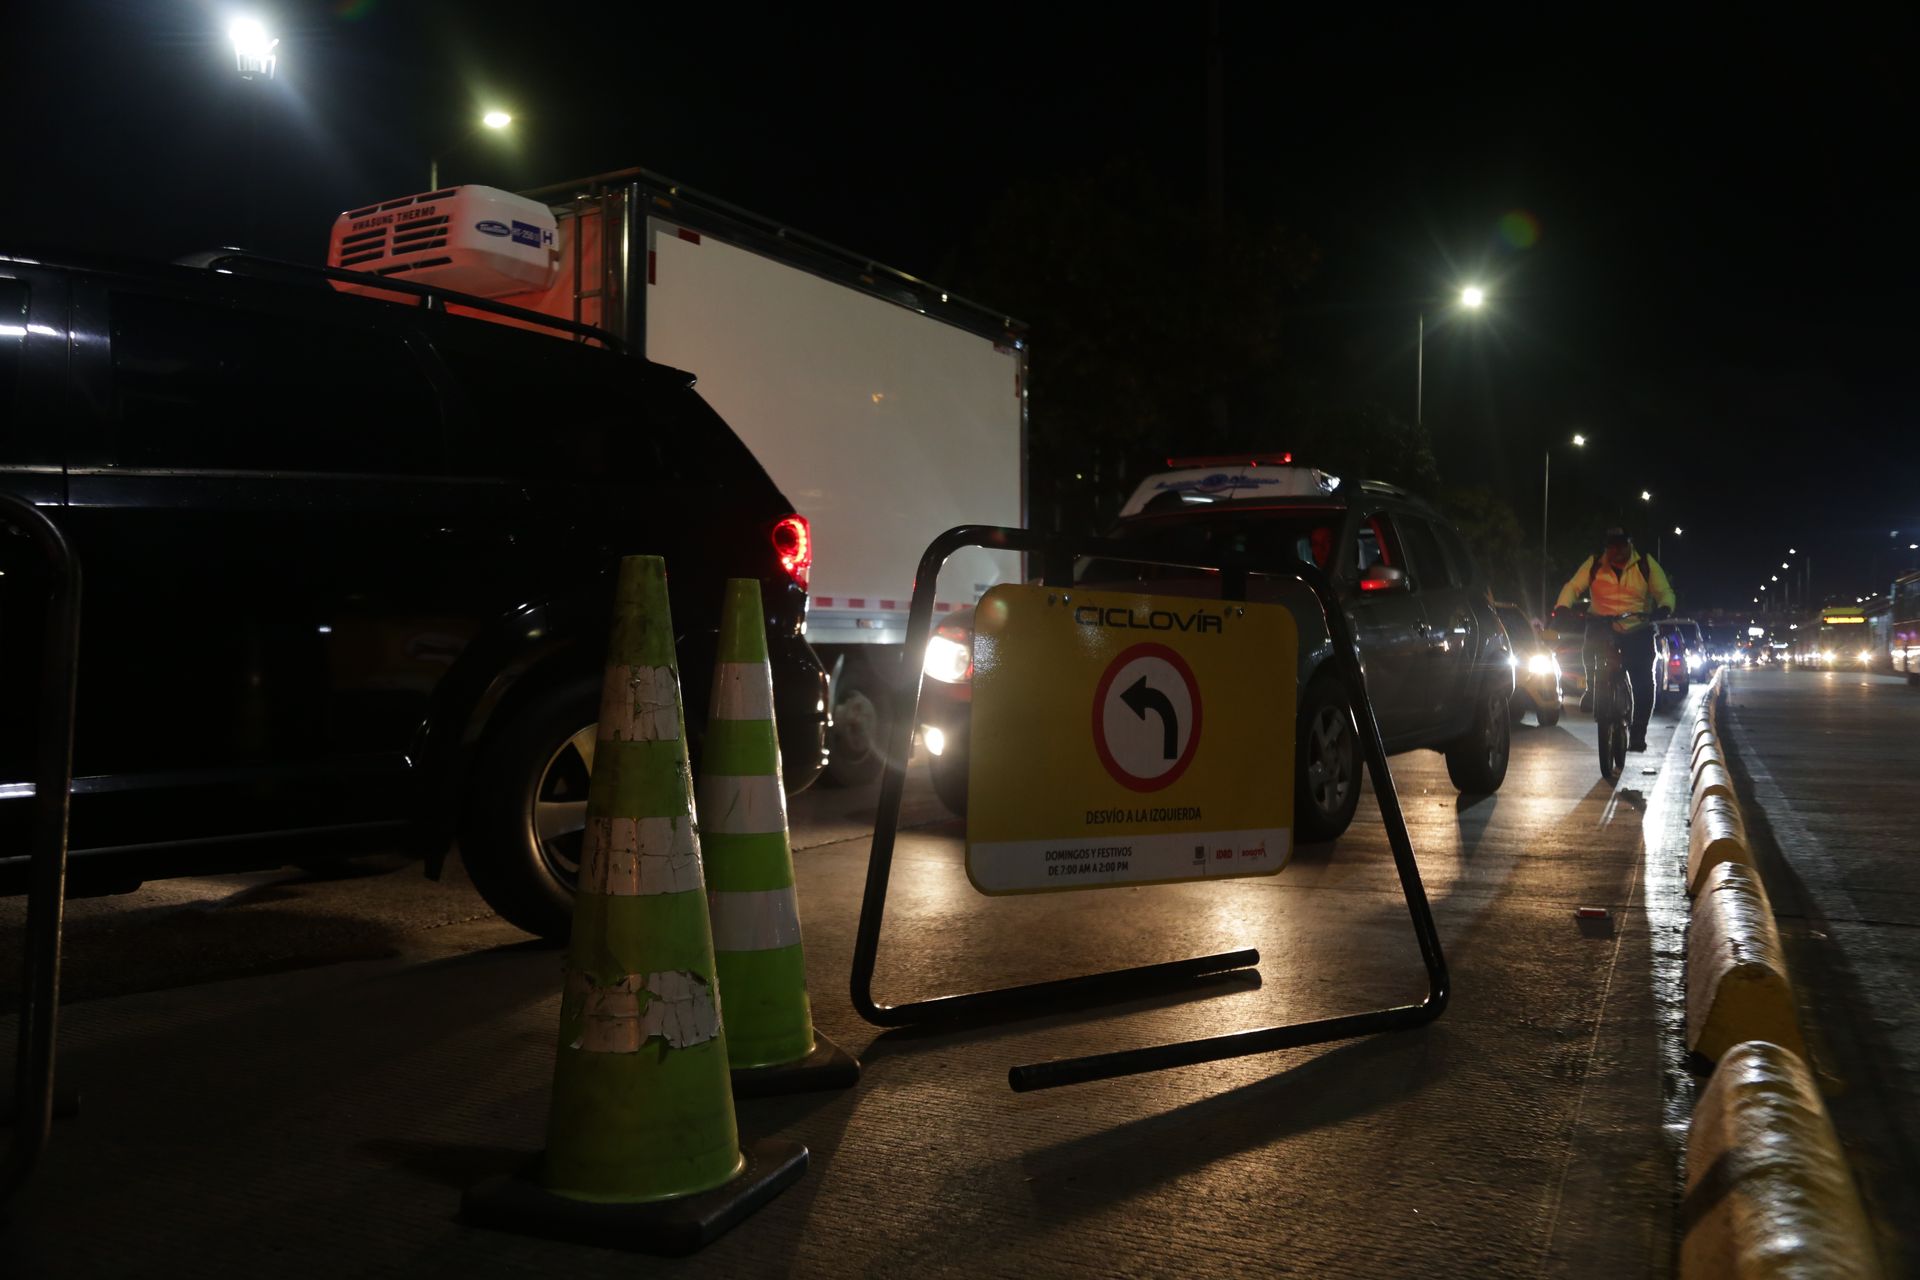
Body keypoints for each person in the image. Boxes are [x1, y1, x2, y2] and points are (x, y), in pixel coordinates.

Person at [1553, 527, 1675, 752]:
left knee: (1643, 682)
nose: (1615, 551)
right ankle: (1591, 688)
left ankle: (1638, 732)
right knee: (1589, 647)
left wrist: (1664, 608)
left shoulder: (1644, 564)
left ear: (1630, 544)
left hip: (1636, 626)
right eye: (1611, 547)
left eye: (1620, 546)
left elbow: (1664, 591)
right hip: (1602, 624)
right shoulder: (1595, 564)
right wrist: (1562, 606)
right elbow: (1573, 587)